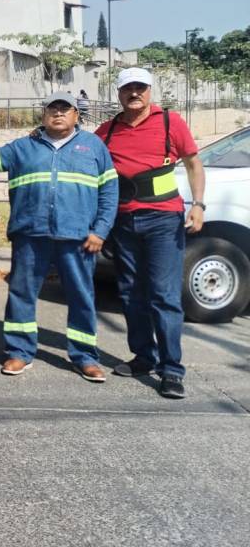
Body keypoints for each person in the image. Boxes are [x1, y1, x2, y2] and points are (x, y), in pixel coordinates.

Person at [0, 91, 118, 381]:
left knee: (81, 296)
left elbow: (110, 192)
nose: (58, 113)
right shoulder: (23, 147)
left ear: (76, 114)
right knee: (21, 293)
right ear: (43, 114)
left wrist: (100, 231)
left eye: (65, 108)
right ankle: (19, 353)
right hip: (30, 234)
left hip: (79, 237)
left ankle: (84, 356)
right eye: (52, 108)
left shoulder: (93, 146)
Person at [95, 67, 205, 399]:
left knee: (163, 296)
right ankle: (144, 357)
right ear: (118, 93)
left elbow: (193, 164)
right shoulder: (108, 130)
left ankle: (171, 370)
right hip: (124, 223)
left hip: (163, 221)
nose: (135, 93)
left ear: (149, 91)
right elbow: (82, 155)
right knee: (130, 293)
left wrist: (198, 204)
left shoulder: (171, 123)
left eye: (140, 88)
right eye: (128, 88)